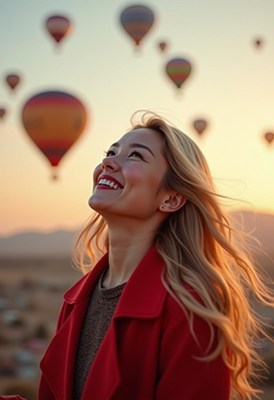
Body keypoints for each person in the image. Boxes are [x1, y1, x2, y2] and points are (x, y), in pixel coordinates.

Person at [36, 110, 273, 400]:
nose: (108, 162)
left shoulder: (191, 308)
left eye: (135, 156)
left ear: (171, 198)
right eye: (111, 152)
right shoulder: (77, 301)